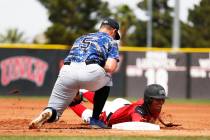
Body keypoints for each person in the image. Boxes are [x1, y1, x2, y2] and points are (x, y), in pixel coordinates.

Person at [29, 18, 120, 129]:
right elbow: (111, 67)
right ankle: (95, 120)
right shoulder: (111, 41)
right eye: (115, 35)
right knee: (108, 79)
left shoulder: (81, 38)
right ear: (114, 31)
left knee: (55, 111)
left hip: (67, 71)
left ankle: (49, 112)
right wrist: (100, 64)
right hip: (90, 72)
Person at [69, 84, 178, 127]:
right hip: (109, 115)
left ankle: (82, 90)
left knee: (103, 103)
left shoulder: (152, 105)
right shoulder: (138, 111)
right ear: (149, 100)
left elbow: (153, 110)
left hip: (122, 106)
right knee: (88, 115)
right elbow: (137, 125)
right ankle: (69, 99)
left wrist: (163, 121)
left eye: (162, 100)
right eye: (158, 100)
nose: (160, 103)